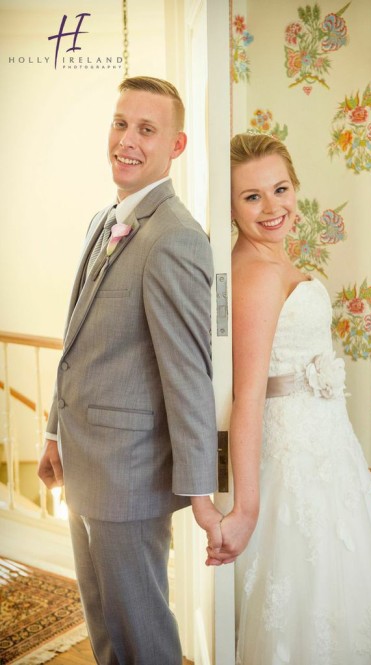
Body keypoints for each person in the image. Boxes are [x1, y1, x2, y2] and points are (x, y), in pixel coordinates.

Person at [208, 132, 371, 664]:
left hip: (323, 447)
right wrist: (246, 507)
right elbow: (245, 397)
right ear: (230, 205)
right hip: (291, 457)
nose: (273, 207)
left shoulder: (270, 260)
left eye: (281, 188)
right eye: (251, 196)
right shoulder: (257, 276)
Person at [38, 76, 223, 665]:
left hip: (130, 479)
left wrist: (201, 492)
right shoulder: (104, 219)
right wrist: (51, 433)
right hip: (83, 462)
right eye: (121, 123)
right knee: (105, 628)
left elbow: (190, 375)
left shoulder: (176, 239)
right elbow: (79, 345)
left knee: (143, 635)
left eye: (147, 129)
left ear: (177, 144)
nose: (128, 140)